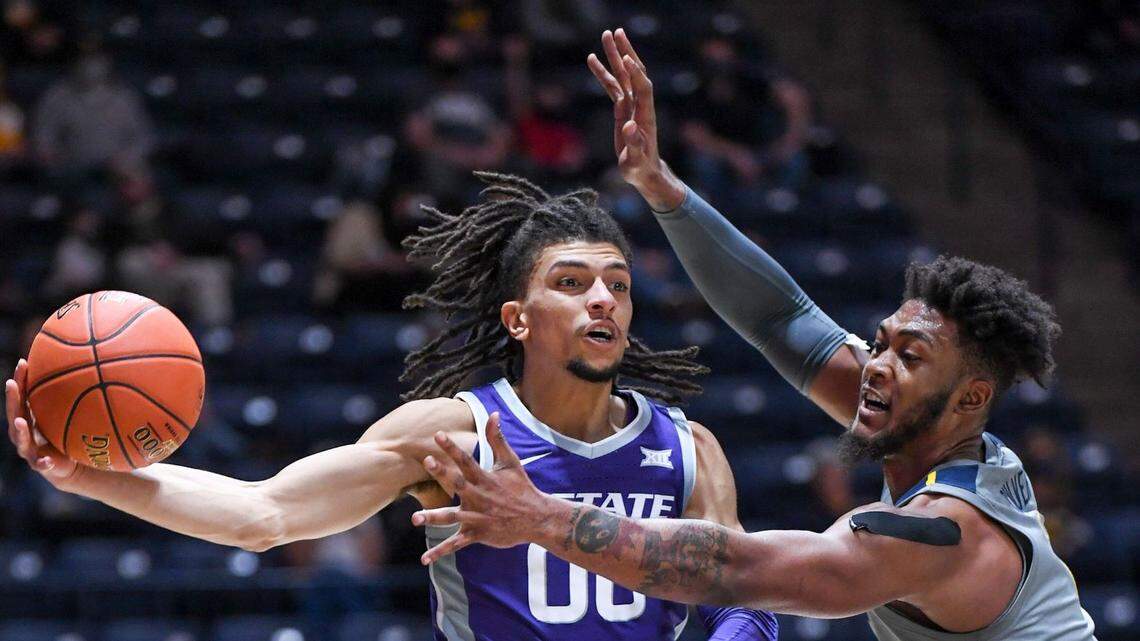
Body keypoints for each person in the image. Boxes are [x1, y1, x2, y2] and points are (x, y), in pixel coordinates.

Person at [409, 30, 1097, 641]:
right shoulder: (942, 432)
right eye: (880, 342)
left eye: (908, 357)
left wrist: (541, 518)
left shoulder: (944, 529)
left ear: (971, 397)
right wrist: (661, 185)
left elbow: (737, 568)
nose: (876, 365)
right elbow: (783, 318)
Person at [6, 172, 776, 640]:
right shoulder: (452, 434)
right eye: (571, 282)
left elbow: (743, 595)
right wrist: (93, 479)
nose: (602, 298)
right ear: (518, 316)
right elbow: (264, 514)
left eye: (618, 283)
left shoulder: (689, 448)